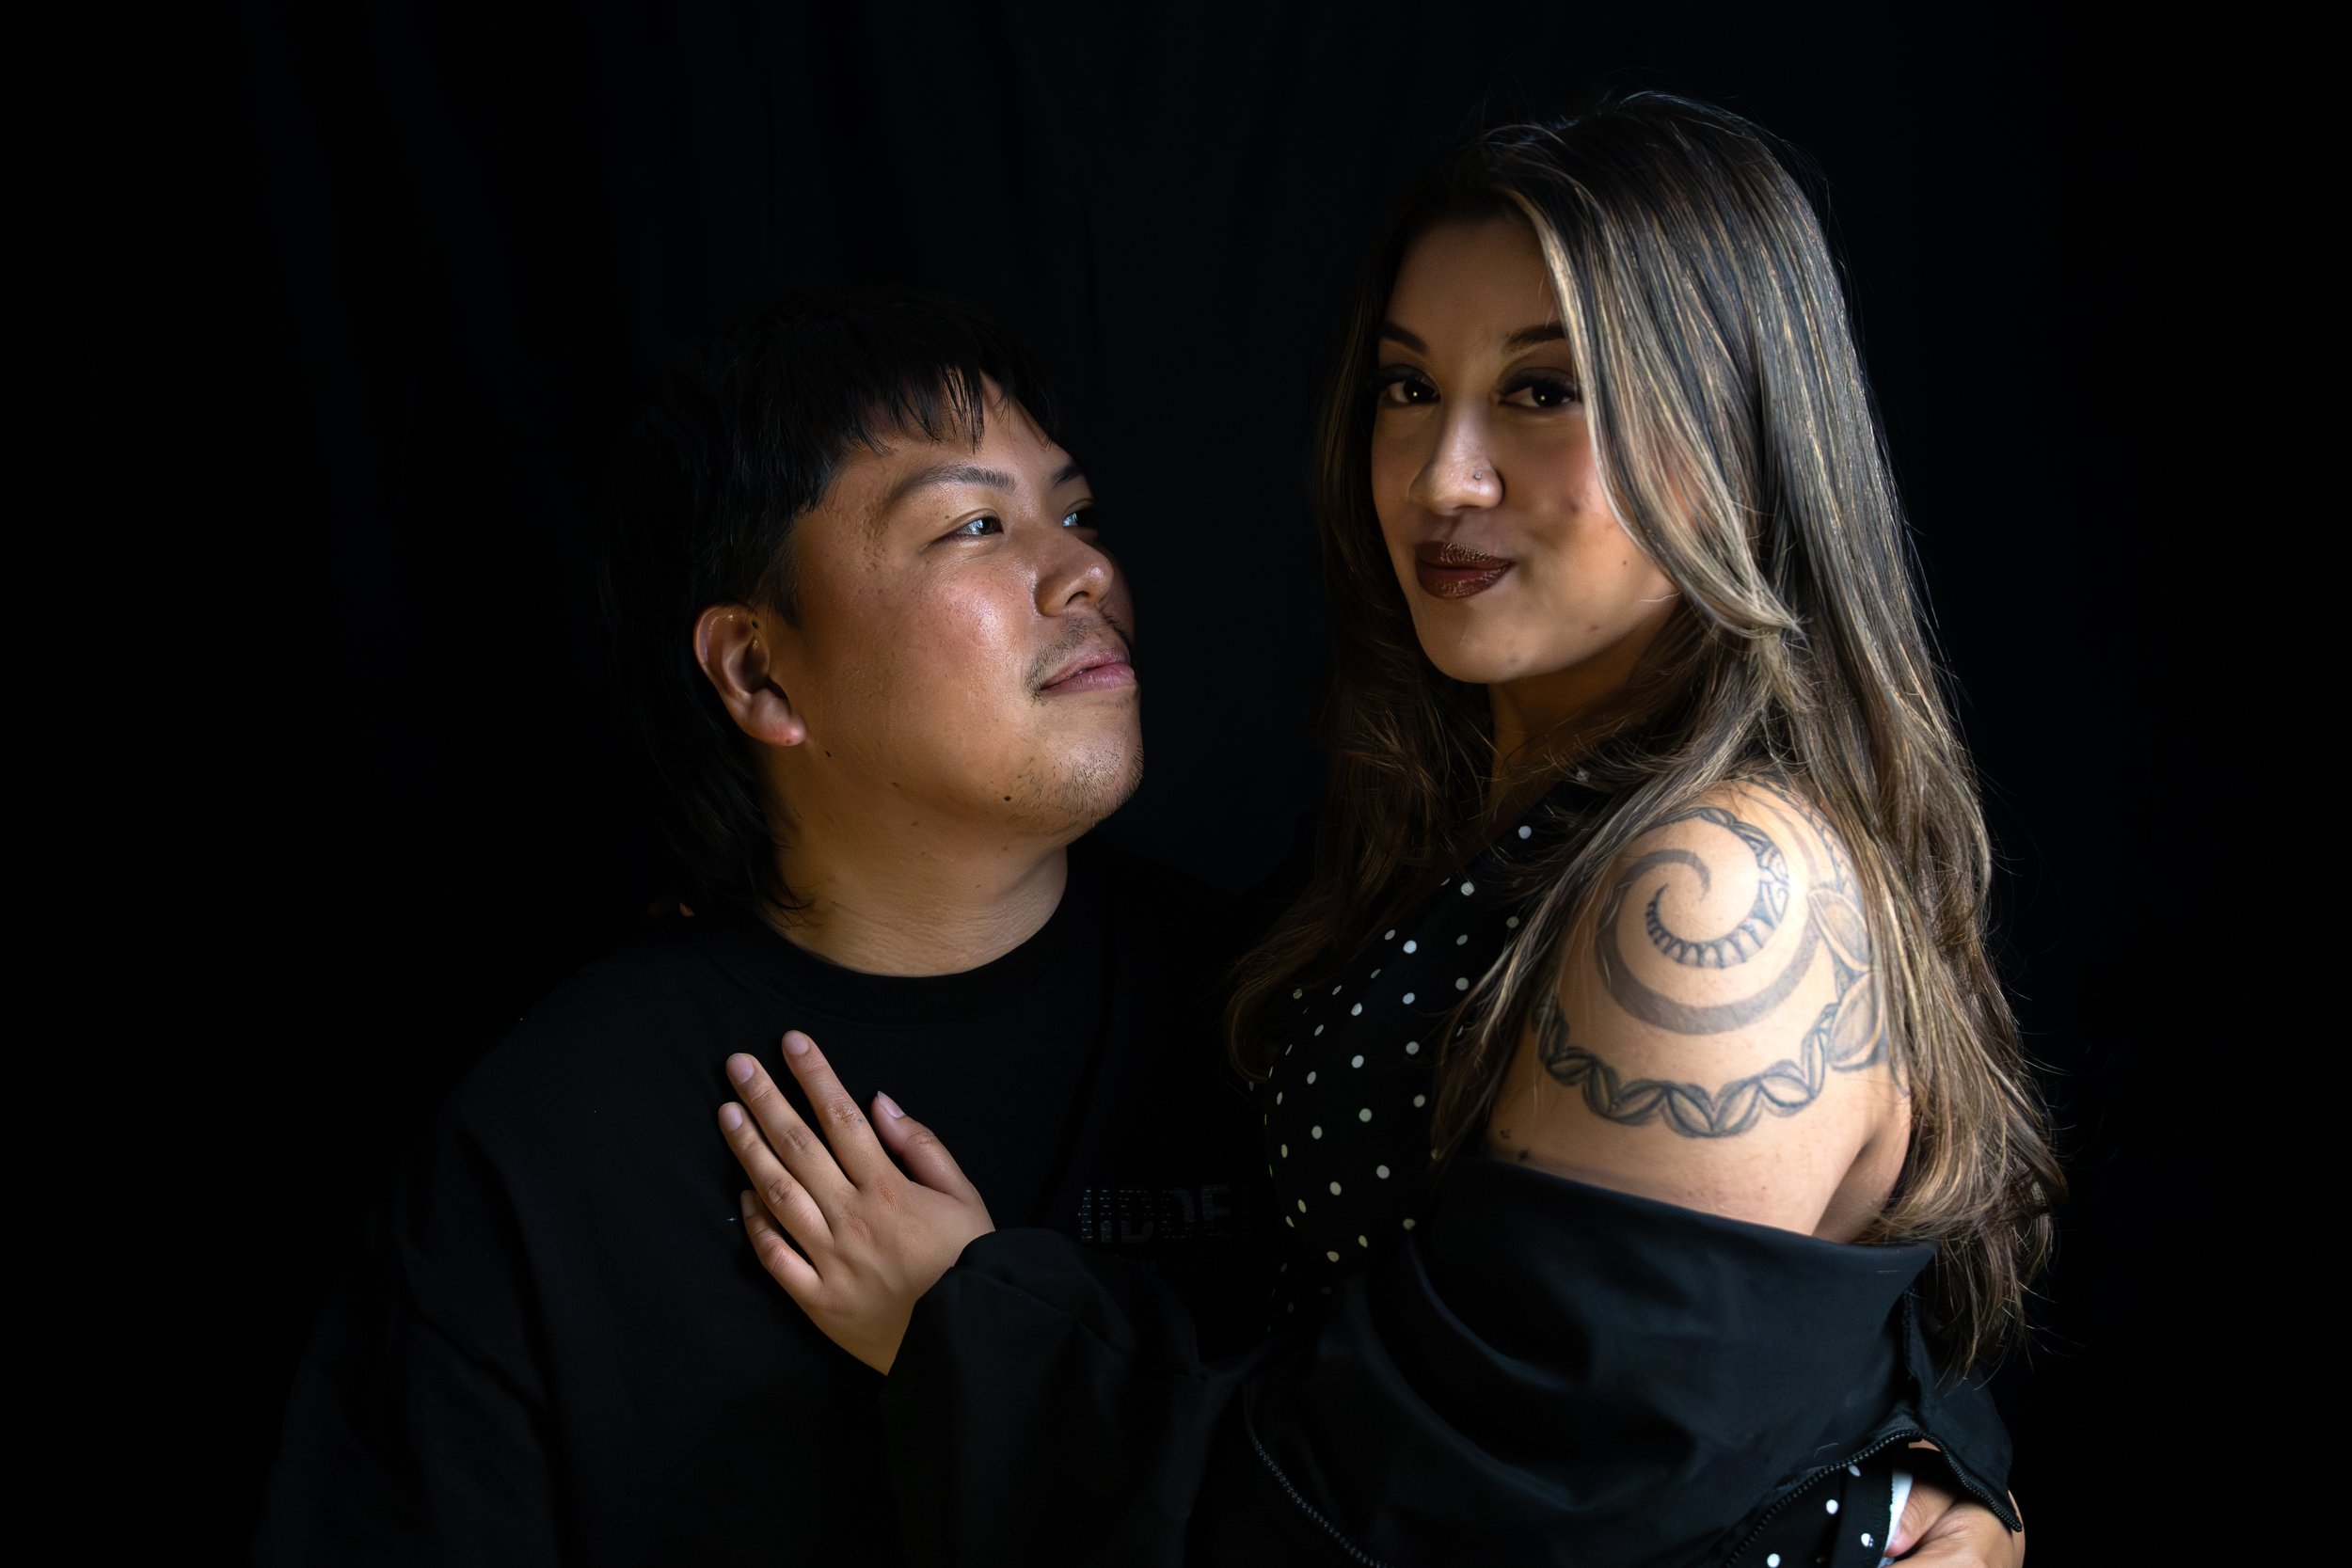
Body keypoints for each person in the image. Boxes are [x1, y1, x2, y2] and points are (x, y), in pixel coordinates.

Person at [712, 96, 2052, 1566]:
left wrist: (967, 1319)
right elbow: (1742, 1353)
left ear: (1736, 430)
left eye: (1545, 392)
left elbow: (1436, 1530)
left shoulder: (1716, 890)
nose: (1441, 477)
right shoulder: (1473, 816)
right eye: (1410, 391)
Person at [249, 289, 1273, 1566]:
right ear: (757, 672)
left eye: (1071, 513)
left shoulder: (1280, 1028)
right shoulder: (546, 1150)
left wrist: (982, 1330)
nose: (1087, 571)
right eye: (973, 525)